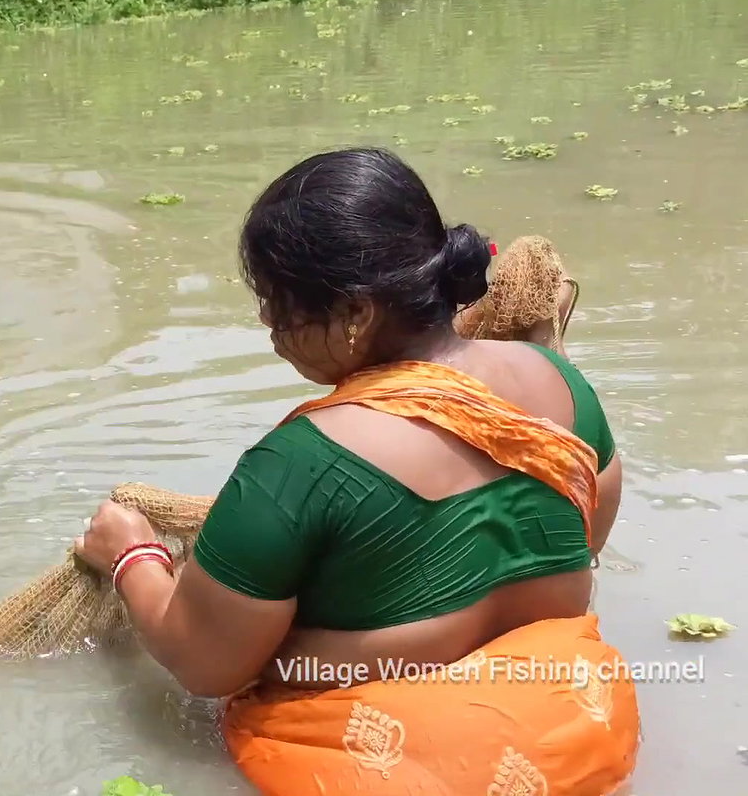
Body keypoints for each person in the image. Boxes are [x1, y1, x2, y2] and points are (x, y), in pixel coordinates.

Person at [74, 148, 638, 795]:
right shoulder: (564, 387)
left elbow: (205, 664)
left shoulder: (300, 463)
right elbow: (584, 540)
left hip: (399, 764)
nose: (266, 322)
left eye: (277, 302)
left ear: (356, 313)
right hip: (582, 738)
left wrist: (130, 554)